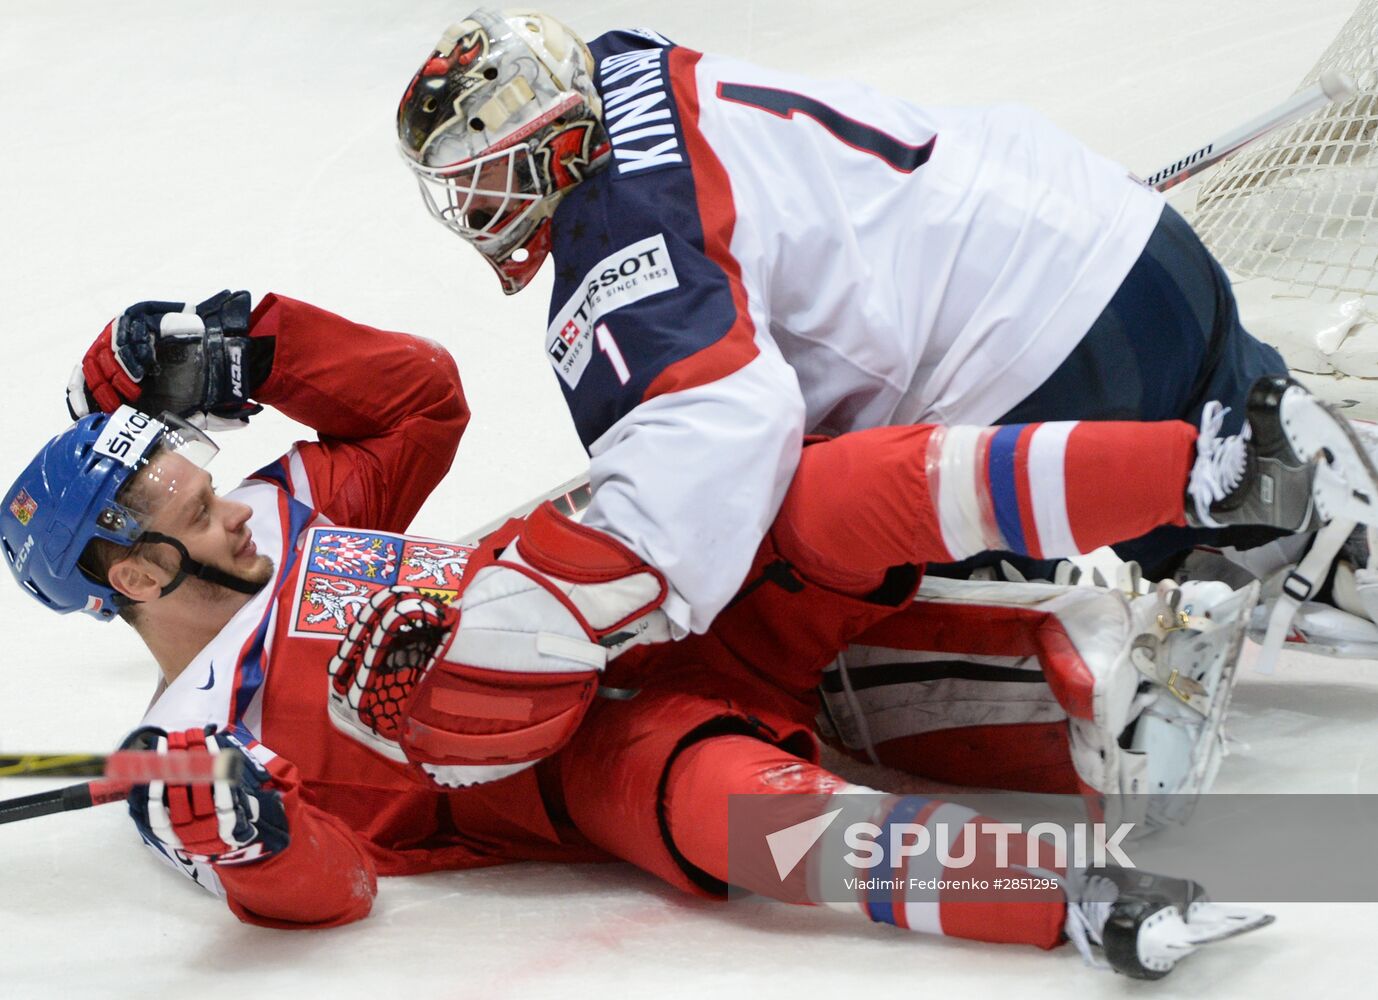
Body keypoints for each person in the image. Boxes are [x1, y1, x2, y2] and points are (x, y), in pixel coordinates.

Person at [22, 293, 1378, 978]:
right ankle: (1071, 899)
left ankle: (1214, 478)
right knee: (733, 814)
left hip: (620, 593)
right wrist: (251, 839)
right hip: (588, 757)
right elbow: (335, 890)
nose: (218, 490)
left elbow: (419, 405)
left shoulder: (288, 510)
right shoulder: (183, 750)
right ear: (133, 573)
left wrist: (255, 344)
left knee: (826, 494)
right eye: (178, 501)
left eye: (196, 469)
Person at [392, 10, 1317, 701]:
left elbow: (721, 431)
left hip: (1037, 368)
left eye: (487, 173)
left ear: (555, 141)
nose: (478, 206)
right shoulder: (626, 59)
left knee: (835, 625)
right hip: (1128, 239)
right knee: (1278, 504)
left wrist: (567, 610)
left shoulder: (618, 229)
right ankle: (1307, 517)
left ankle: (1113, 681)